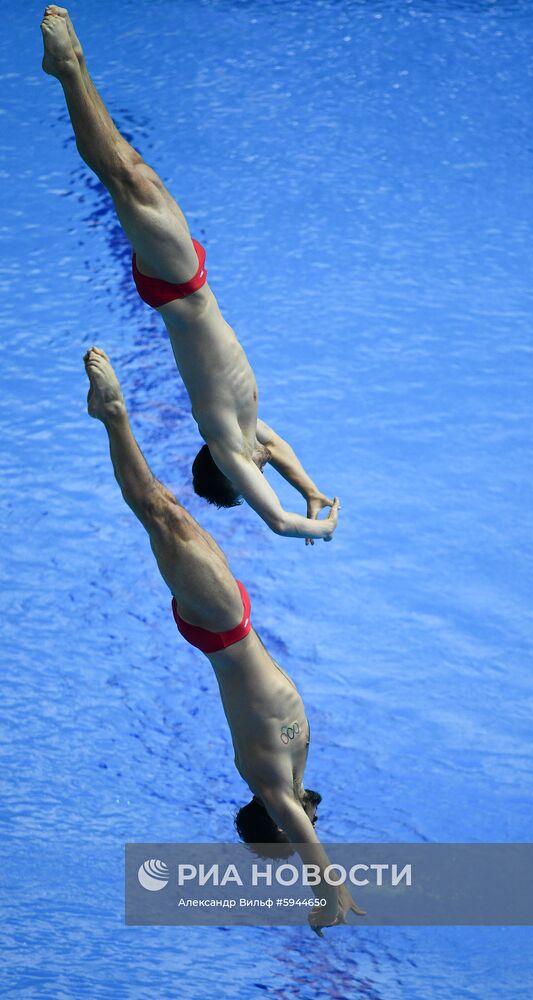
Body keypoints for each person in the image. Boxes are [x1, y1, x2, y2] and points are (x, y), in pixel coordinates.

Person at [82, 346, 363, 934]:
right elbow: (301, 821)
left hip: (219, 624)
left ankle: (113, 415)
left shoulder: (265, 779)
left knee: (157, 512)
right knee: (166, 514)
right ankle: (128, 420)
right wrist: (307, 484)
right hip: (228, 619)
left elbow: (300, 832)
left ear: (277, 822)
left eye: (287, 833)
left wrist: (328, 891)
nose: (306, 825)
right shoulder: (294, 771)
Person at [41, 6, 340, 544]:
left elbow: (276, 521)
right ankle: (73, 65)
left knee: (122, 175)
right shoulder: (251, 432)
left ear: (232, 475)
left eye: (250, 481)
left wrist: (314, 526)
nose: (261, 470)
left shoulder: (227, 441)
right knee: (132, 171)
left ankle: (67, 67)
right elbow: (279, 454)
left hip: (177, 285)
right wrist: (313, 492)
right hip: (186, 279)